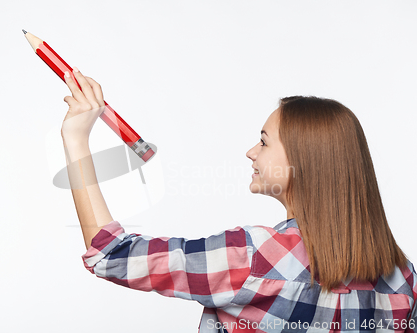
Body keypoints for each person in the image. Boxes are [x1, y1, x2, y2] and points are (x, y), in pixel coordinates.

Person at [59, 67, 417, 333]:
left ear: (302, 161)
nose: (250, 152)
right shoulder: (402, 278)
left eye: (263, 141)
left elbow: (110, 254)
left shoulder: (253, 257)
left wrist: (75, 138)